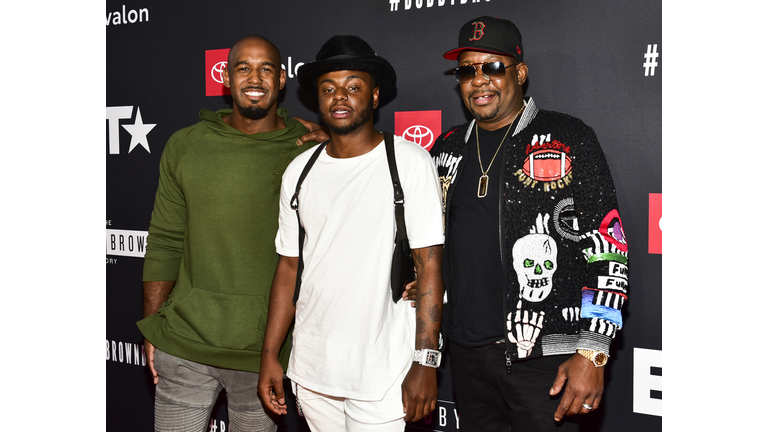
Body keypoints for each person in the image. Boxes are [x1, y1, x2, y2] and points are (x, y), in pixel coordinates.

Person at [430, 16, 629, 432]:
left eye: (493, 67)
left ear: (519, 72)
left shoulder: (569, 137)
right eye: (468, 70)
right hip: (466, 355)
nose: (479, 80)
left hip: (548, 359)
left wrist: (593, 352)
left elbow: (610, 251)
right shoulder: (446, 148)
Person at [137, 35, 329, 432]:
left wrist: (334, 141)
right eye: (243, 67)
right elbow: (165, 239)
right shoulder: (186, 145)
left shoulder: (308, 150)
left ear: (281, 80)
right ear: (226, 78)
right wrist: (153, 325)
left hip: (264, 354)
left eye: (266, 68)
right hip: (184, 343)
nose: (254, 77)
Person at [257, 35, 445, 431]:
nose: (339, 97)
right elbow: (289, 268)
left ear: (374, 97)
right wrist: (270, 354)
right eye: (328, 88)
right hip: (311, 371)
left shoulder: (409, 163)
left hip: (383, 372)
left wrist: (426, 362)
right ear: (317, 99)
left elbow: (429, 267)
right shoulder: (300, 171)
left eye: (353, 87)